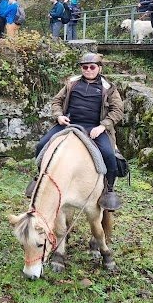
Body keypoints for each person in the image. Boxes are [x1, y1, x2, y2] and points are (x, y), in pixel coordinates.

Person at [26, 53, 123, 210]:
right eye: (85, 67)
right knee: (41, 145)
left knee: (109, 155)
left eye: (92, 67)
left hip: (94, 127)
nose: (88, 70)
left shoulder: (108, 88)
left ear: (99, 68)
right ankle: (40, 177)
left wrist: (103, 126)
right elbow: (57, 101)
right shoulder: (72, 83)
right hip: (69, 123)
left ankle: (109, 189)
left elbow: (117, 110)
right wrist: (59, 116)